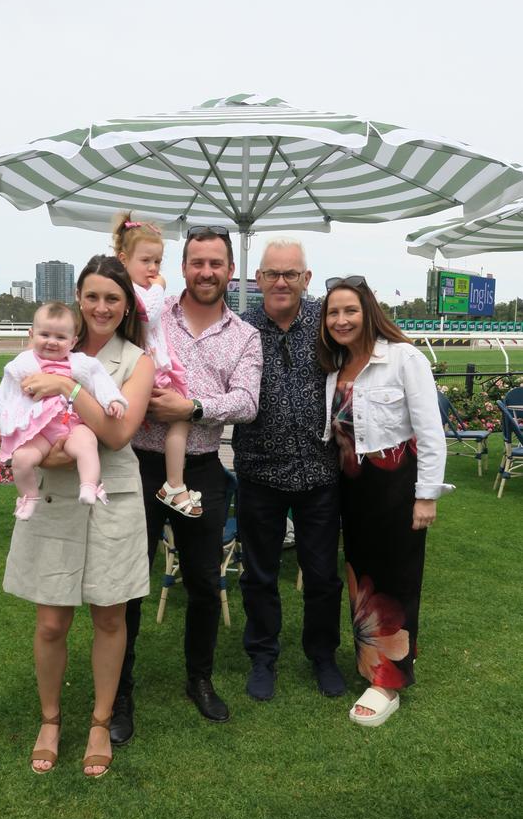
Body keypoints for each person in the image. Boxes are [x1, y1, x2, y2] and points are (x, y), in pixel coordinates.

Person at [1, 256, 154, 775]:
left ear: (126, 305)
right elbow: (17, 419)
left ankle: (99, 720)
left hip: (114, 495)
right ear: (78, 300)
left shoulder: (136, 360)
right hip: (53, 497)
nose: (102, 307)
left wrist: (68, 389)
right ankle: (50, 719)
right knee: (50, 621)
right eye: (92, 296)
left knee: (110, 615)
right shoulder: (39, 352)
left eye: (113, 298)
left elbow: (116, 434)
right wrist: (45, 450)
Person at [110, 225, 263, 744]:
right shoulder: (150, 310)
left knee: (203, 580)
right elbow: (103, 311)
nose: (206, 271)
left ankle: (199, 676)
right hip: (137, 463)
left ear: (230, 271)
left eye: (215, 263)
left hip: (200, 471)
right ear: (183, 267)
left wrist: (192, 407)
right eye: (196, 262)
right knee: (129, 582)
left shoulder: (244, 335)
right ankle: (119, 690)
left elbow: (246, 402)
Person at [318, 275, 453, 727]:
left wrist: (426, 496)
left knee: (396, 581)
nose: (341, 319)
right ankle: (369, 668)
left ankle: (390, 682)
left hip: (395, 484)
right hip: (352, 486)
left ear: (369, 312)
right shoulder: (337, 366)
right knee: (362, 581)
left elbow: (430, 431)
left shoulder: (402, 358)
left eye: (350, 310)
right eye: (333, 312)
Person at [232, 240, 345, 703]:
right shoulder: (238, 329)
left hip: (320, 472)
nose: (281, 282)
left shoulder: (327, 321)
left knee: (322, 574)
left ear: (306, 278)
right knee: (258, 573)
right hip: (260, 471)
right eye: (272, 274)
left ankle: (322, 654)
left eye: (291, 274)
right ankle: (263, 655)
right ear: (257, 279)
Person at [0, 301, 128, 520]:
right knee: (21, 459)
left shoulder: (81, 363)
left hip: (72, 424)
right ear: (31, 334)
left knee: (86, 445)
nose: (52, 342)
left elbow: (101, 381)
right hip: (39, 430)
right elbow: (6, 395)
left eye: (60, 338)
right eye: (45, 335)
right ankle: (29, 496)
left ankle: (89, 486)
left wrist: (113, 400)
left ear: (73, 342)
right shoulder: (22, 365)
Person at [113, 213, 201, 518]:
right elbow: (149, 313)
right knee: (180, 418)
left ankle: (174, 483)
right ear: (123, 259)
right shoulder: (133, 290)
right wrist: (160, 285)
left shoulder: (132, 288)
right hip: (150, 368)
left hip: (155, 364)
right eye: (146, 261)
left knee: (179, 417)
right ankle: (174, 484)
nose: (153, 269)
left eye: (158, 263)